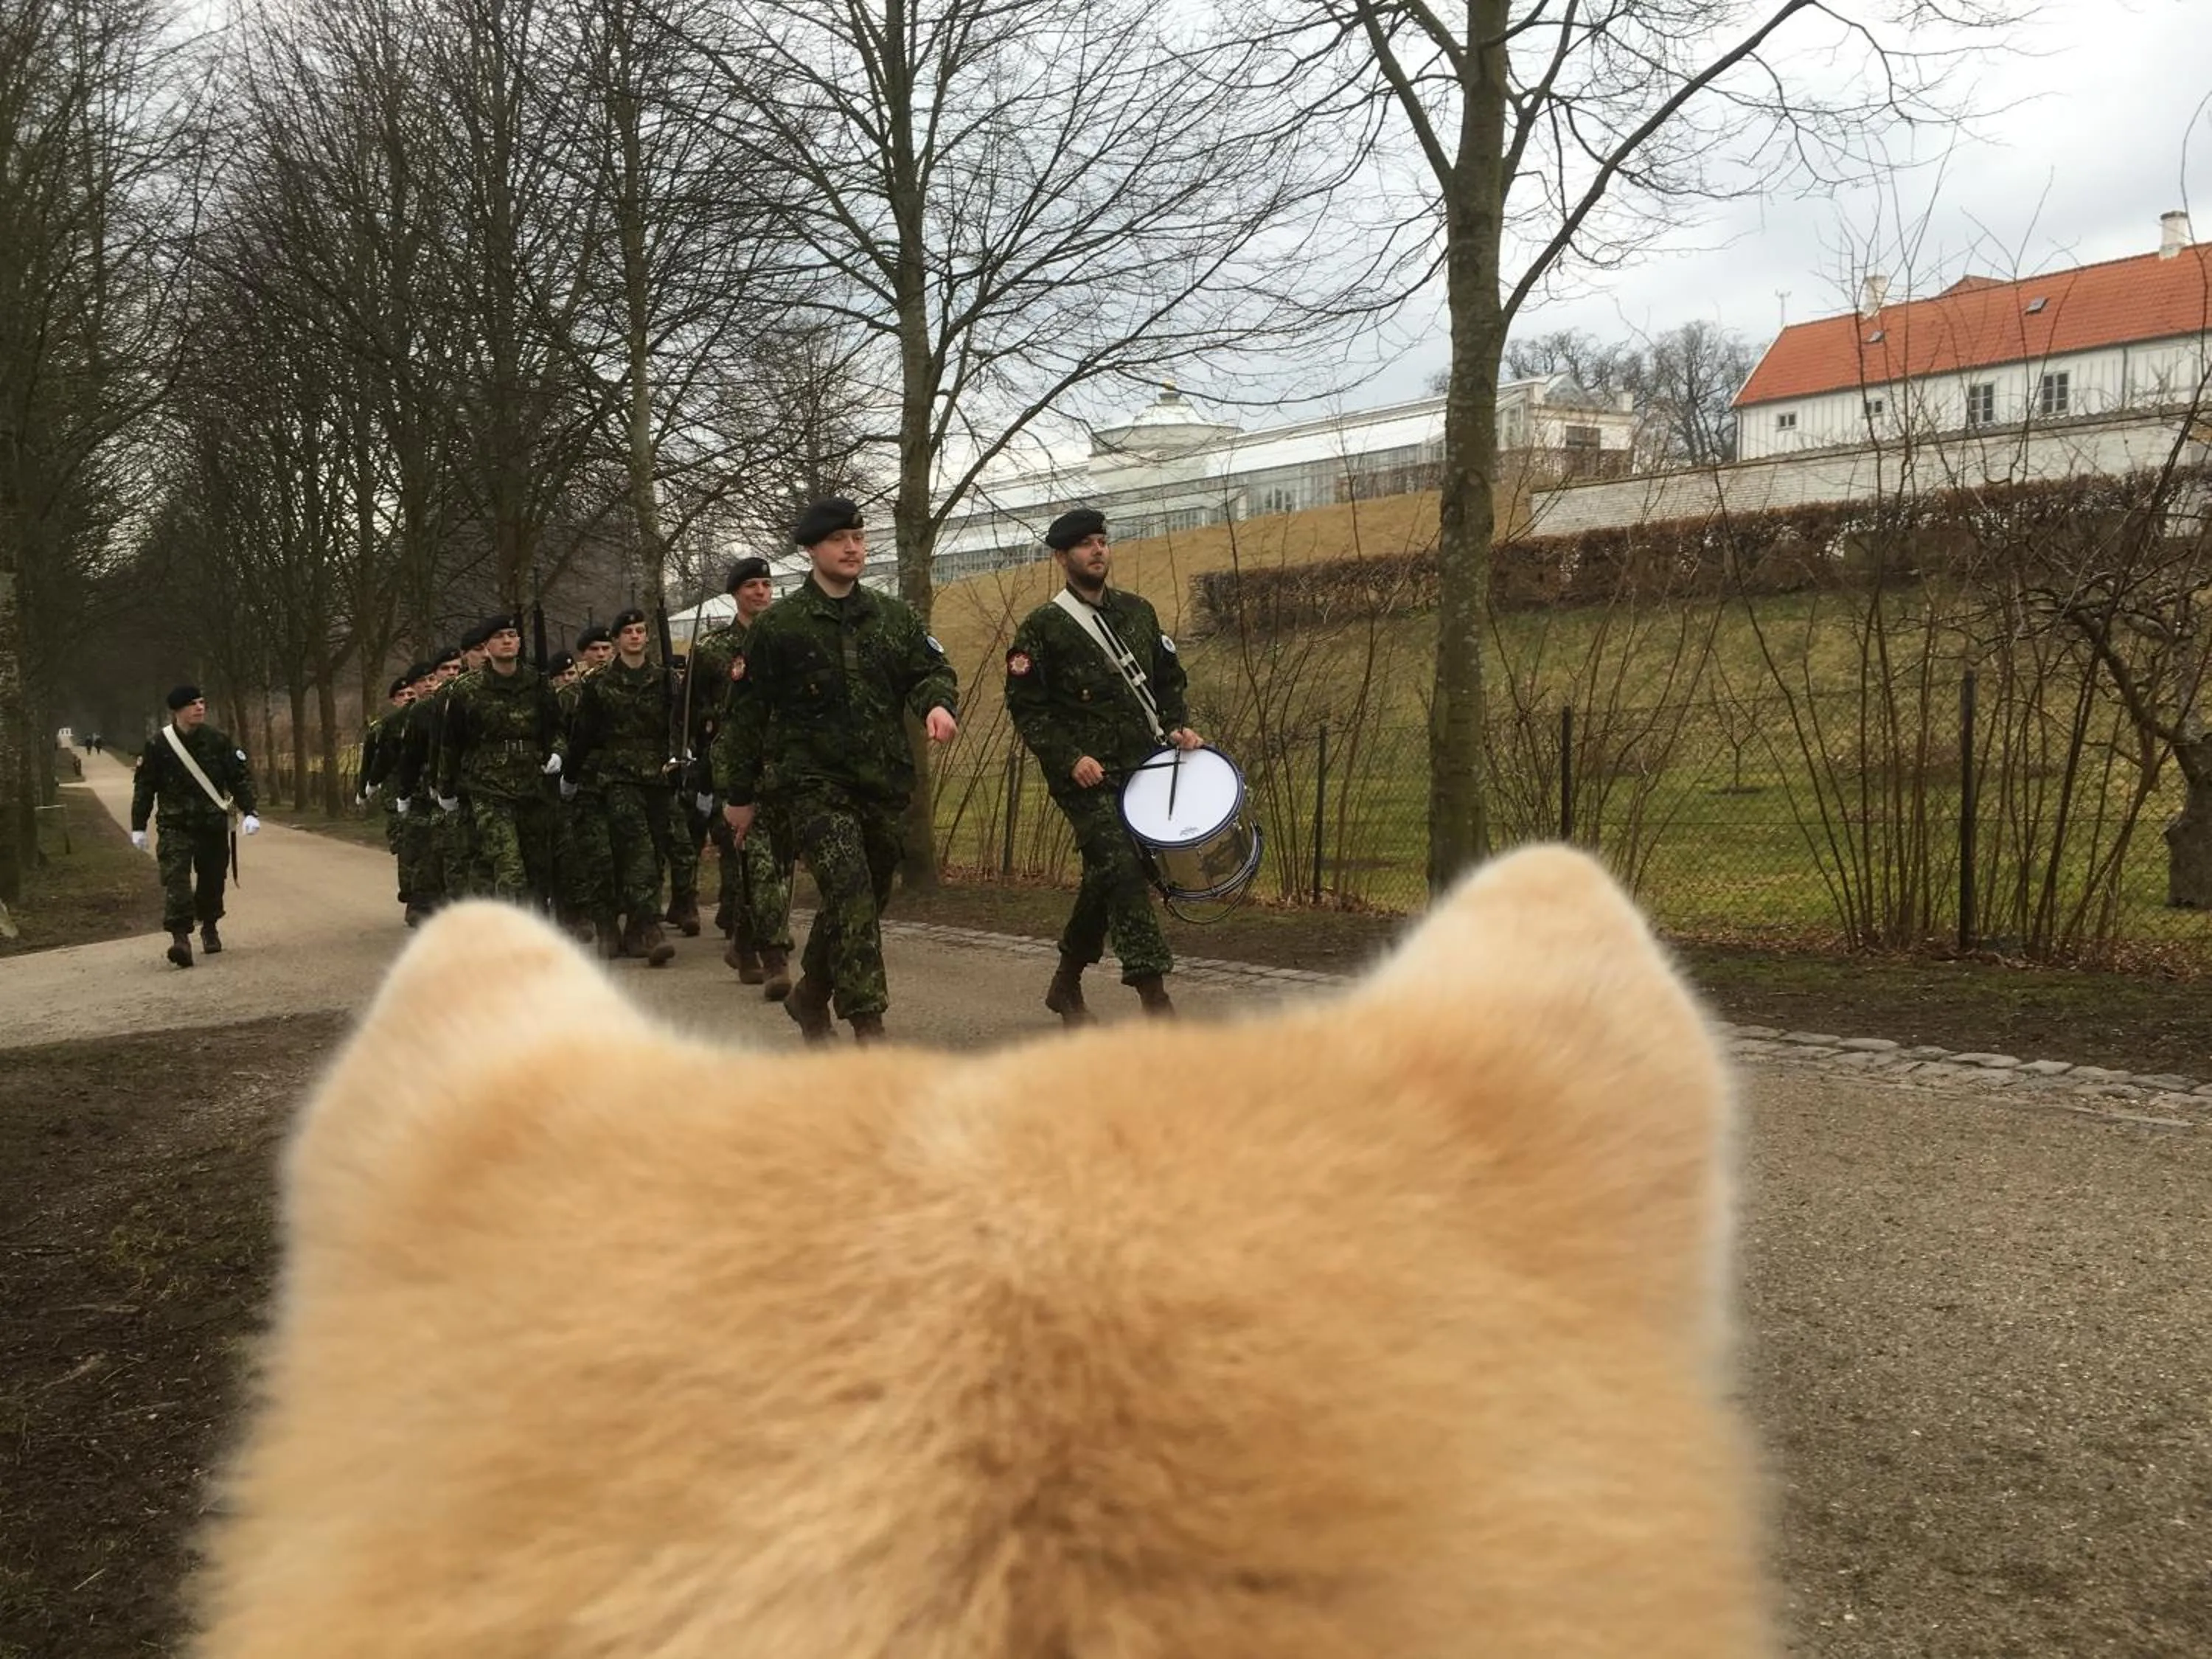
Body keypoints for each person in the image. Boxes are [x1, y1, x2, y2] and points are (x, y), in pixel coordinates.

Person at [715, 498, 959, 1044]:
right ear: (811, 550)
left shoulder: (892, 617)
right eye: (839, 540)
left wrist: (937, 705)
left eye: (859, 537)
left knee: (864, 900)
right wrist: (739, 793)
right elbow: (746, 716)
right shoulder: (780, 627)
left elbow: (930, 671)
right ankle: (868, 1024)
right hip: (812, 787)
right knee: (848, 892)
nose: (853, 548)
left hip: (882, 785)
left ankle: (809, 995)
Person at [1005, 507, 1203, 1023]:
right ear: (1061, 557)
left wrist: (1177, 723)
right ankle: (1154, 997)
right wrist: (1071, 759)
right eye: (1086, 544)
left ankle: (1065, 985)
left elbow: (1168, 679)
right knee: (1121, 865)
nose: (1098, 550)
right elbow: (1029, 709)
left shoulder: (1138, 613)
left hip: (1144, 769)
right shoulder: (1043, 630)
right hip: (1086, 779)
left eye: (1102, 541)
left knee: (1107, 873)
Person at [688, 557, 793, 998]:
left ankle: (744, 942)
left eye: (767, 585)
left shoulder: (788, 639)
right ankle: (773, 957)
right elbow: (690, 713)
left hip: (784, 759)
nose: (761, 592)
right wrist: (696, 770)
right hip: (735, 764)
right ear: (736, 593)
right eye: (752, 585)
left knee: (779, 860)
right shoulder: (713, 649)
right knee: (754, 857)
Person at [566, 608, 682, 965]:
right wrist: (570, 774)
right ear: (617, 640)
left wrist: (682, 755)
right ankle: (647, 926)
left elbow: (677, 725)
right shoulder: (599, 684)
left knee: (656, 849)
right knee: (638, 852)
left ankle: (634, 926)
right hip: (617, 777)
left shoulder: (664, 680)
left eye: (641, 630)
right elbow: (583, 734)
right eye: (628, 631)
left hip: (658, 776)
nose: (635, 636)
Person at [128, 685, 260, 968]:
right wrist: (138, 826)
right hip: (175, 826)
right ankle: (180, 939)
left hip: (211, 824)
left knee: (212, 879)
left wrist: (251, 811)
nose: (200, 708)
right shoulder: (157, 746)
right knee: (176, 879)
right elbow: (144, 788)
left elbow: (239, 778)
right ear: (178, 711)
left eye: (202, 702)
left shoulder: (218, 741)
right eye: (192, 704)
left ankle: (210, 926)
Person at [439, 616, 563, 907]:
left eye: (512, 635)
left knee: (537, 866)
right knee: (509, 867)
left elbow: (555, 729)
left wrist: (558, 753)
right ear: (487, 647)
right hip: (488, 790)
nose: (507, 641)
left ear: (520, 642)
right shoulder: (467, 690)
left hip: (532, 785)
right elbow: (451, 743)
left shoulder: (538, 684)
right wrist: (446, 788)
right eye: (499, 637)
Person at [359, 671, 417, 917]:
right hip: (394, 793)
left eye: (410, 694)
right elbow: (371, 760)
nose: (407, 698)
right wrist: (364, 789)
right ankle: (411, 896)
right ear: (394, 700)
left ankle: (425, 894)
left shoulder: (426, 718)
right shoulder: (383, 727)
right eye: (402, 695)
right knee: (405, 844)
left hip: (420, 790)